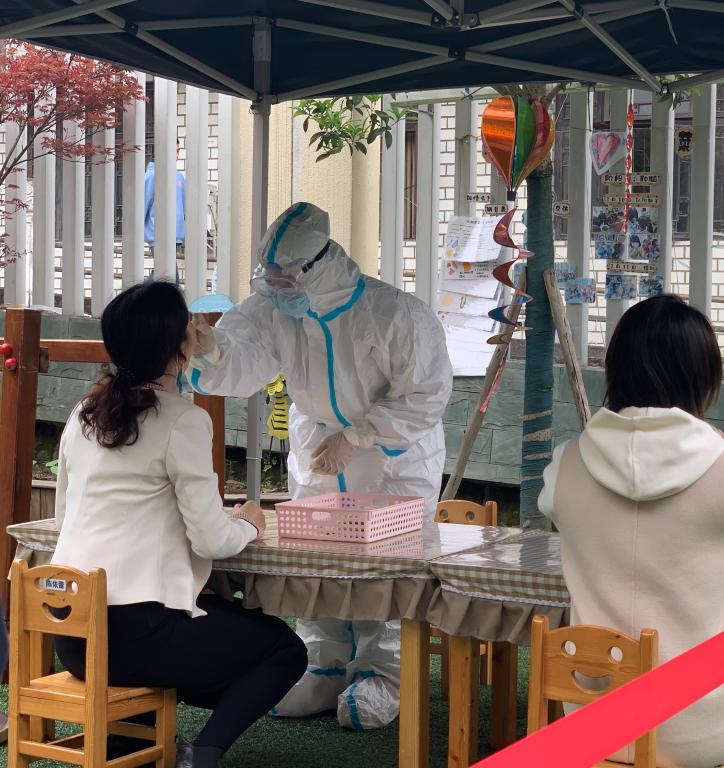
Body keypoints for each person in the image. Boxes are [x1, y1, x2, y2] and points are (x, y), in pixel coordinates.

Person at [188, 201, 453, 729]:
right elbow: (244, 361)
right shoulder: (274, 307)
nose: (276, 288)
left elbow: (426, 394)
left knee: (387, 566)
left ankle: (384, 673)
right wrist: (213, 349)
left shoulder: (394, 313)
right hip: (316, 442)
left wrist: (359, 436)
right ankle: (323, 663)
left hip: (395, 452)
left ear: (319, 265)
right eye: (271, 277)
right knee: (316, 558)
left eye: (285, 278)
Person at [538, 295, 724, 768]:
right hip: (701, 730)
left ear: (615, 371)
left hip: (593, 721)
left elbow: (552, 506)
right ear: (705, 379)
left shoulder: (566, 465)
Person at [51, 281, 306, 768]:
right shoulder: (182, 420)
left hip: (73, 632)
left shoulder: (82, 413)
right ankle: (201, 756)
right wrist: (249, 524)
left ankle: (135, 740)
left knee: (216, 621)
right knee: (283, 650)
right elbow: (212, 539)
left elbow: (65, 517)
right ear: (181, 345)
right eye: (190, 323)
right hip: (134, 636)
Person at [144, 139, 187, 284]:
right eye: (174, 151)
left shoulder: (179, 177)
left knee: (164, 275)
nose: (177, 155)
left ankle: (143, 290)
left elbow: (184, 207)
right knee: (169, 277)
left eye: (178, 151)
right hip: (157, 234)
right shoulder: (152, 175)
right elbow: (143, 203)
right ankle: (142, 290)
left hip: (175, 235)